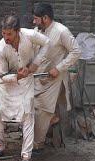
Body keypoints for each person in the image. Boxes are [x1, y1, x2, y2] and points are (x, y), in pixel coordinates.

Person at [0, 15, 50, 161]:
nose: (6, 38)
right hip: (6, 85)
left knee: (28, 116)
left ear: (18, 31)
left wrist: (35, 64)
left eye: (9, 34)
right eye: (3, 34)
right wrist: (17, 76)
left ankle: (26, 158)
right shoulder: (0, 49)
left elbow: (47, 43)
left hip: (26, 83)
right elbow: (2, 75)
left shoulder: (29, 35)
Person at [32, 3, 81, 153]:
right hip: (38, 76)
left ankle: (37, 145)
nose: (34, 22)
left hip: (54, 78)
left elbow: (76, 51)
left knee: (43, 111)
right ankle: (44, 127)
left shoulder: (61, 31)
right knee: (29, 106)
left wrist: (58, 68)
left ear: (45, 18)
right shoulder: (37, 31)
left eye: (36, 19)